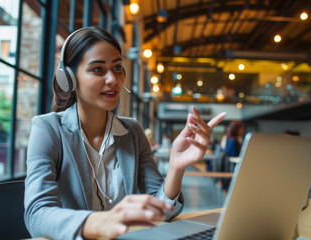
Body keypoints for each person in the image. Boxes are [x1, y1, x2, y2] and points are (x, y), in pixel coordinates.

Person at [24, 26, 226, 240]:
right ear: (69, 78)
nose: (113, 79)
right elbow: (37, 215)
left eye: (118, 67)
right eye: (98, 70)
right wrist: (103, 222)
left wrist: (176, 165)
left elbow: (162, 213)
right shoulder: (48, 129)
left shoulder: (132, 131)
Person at [219, 121, 245, 191]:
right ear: (236, 129)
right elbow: (234, 156)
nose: (243, 130)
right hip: (232, 168)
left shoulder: (230, 139)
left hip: (229, 167)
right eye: (241, 128)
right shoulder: (233, 141)